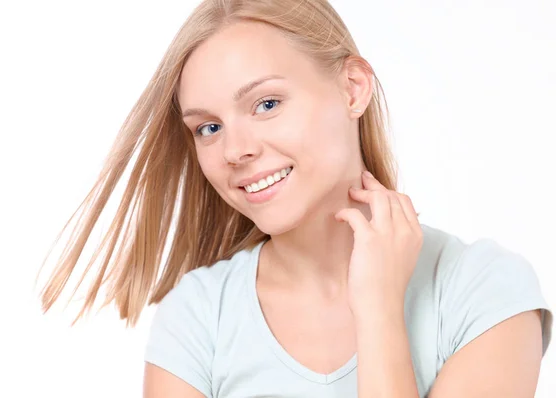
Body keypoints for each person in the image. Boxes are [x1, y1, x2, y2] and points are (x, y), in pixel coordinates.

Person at [37, 0, 553, 397]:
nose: (235, 150)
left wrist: (377, 307)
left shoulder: (483, 291)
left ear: (352, 88)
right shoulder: (197, 318)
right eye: (209, 127)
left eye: (266, 103)